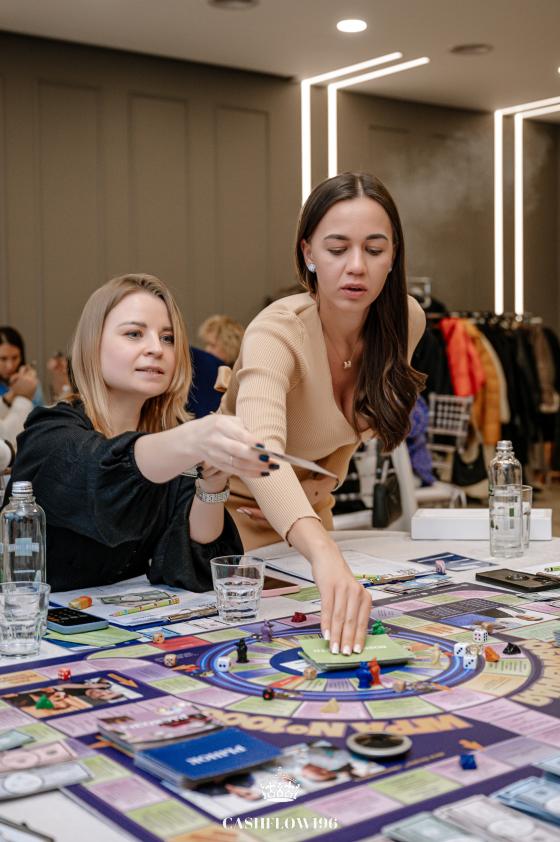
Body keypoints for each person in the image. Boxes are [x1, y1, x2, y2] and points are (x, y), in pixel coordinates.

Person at [221, 172, 426, 657]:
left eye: (374, 250)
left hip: (314, 517)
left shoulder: (405, 321)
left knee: (337, 652)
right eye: (337, 249)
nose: (356, 266)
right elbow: (259, 452)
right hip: (234, 522)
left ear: (393, 256)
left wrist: (318, 493)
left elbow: (350, 429)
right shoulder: (276, 332)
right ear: (308, 252)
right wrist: (322, 549)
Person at [5, 274, 275, 591]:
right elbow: (100, 473)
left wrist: (211, 485)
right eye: (134, 334)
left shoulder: (170, 446)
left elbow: (194, 564)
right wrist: (195, 437)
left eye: (168, 338)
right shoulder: (51, 433)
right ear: (93, 344)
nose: (156, 348)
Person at [0, 326, 44, 408]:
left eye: (15, 358)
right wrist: (15, 393)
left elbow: (40, 412)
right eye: (3, 359)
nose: (10, 366)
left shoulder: (30, 381)